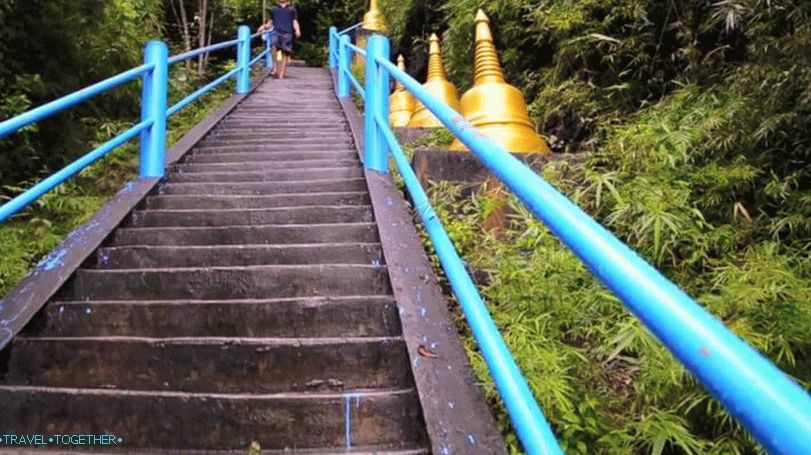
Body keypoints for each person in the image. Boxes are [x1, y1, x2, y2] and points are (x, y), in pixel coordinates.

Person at [258, 0, 301, 80]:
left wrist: (297, 30)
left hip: (287, 33)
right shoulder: (274, 9)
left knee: (284, 52)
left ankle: (281, 74)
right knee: (275, 48)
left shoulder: (291, 9)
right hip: (276, 32)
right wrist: (263, 27)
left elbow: (294, 21)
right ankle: (276, 66)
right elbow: (270, 22)